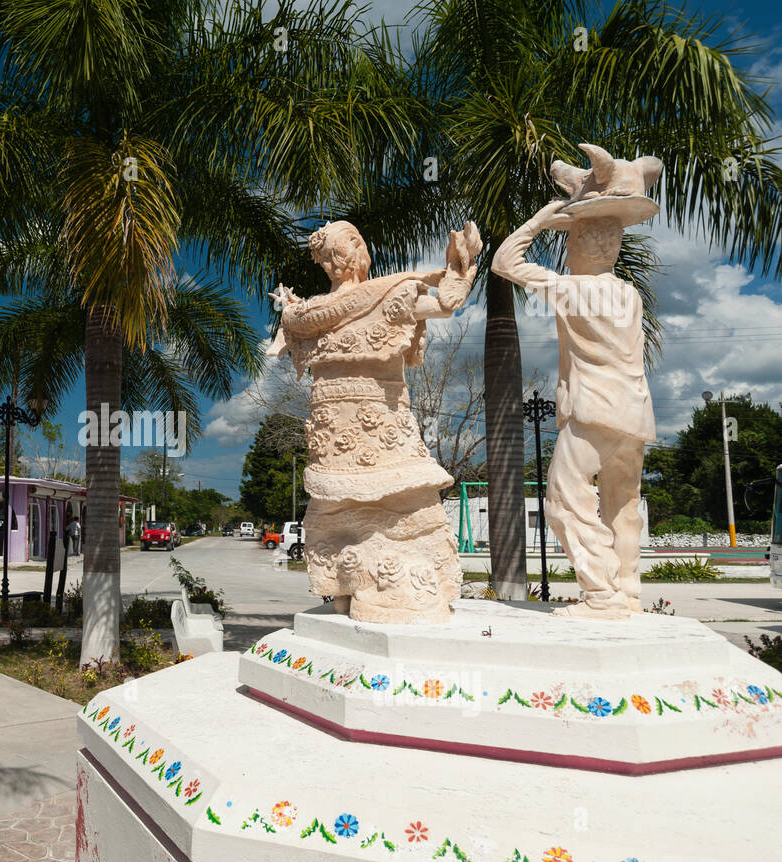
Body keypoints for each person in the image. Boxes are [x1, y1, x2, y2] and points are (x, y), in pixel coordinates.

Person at [268, 218, 480, 623]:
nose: (340, 259)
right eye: (336, 251)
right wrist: (456, 273)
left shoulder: (379, 296)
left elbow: (444, 303)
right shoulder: (313, 312)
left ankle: (391, 587)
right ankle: (349, 581)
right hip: (334, 427)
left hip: (379, 420)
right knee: (338, 503)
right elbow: (445, 303)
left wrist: (458, 270)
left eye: (343, 248)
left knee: (394, 497)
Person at [492, 144, 662, 619]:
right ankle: (627, 592)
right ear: (615, 247)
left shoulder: (569, 290)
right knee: (622, 506)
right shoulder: (629, 295)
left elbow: (505, 263)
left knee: (565, 500)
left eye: (572, 241)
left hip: (591, 412)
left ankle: (601, 594)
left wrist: (543, 219)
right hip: (633, 415)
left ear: (579, 245)